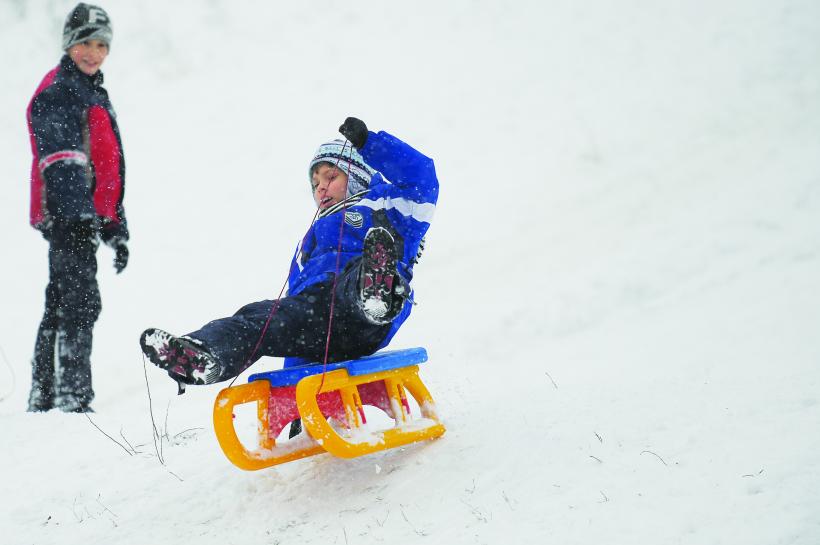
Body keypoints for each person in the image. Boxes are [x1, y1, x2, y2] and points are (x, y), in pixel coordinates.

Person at [140, 118, 437, 393]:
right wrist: (294, 400)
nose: (321, 187)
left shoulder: (389, 205)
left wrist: (369, 144)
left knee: (359, 274)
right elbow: (298, 307)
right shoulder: (309, 241)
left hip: (365, 315)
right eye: (315, 183)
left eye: (330, 176)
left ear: (356, 175)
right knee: (261, 316)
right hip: (319, 319)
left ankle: (377, 290)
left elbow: (422, 177)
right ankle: (204, 355)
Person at [26, 3, 129, 413]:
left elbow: (106, 168)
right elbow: (62, 158)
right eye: (86, 42)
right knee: (79, 299)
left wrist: (115, 226)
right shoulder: (59, 90)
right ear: (70, 43)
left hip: (82, 214)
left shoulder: (90, 91)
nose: (94, 52)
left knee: (63, 299)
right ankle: (70, 395)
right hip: (68, 215)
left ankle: (45, 393)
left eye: (101, 44)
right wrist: (77, 214)